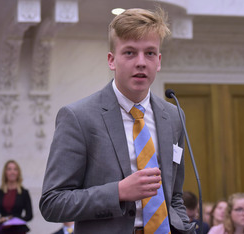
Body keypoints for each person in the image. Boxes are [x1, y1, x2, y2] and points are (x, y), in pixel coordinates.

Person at [39, 7, 195, 234]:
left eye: (150, 53)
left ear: (159, 61)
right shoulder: (78, 117)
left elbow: (175, 196)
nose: (141, 62)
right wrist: (119, 192)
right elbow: (52, 203)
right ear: (112, 60)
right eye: (130, 53)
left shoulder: (173, 116)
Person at [0, 160, 33, 234]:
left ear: (18, 173)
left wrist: (15, 219)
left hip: (18, 230)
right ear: (5, 173)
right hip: (2, 230)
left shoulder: (24, 193)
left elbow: (29, 215)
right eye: (9, 169)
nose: (12, 172)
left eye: (15, 169)